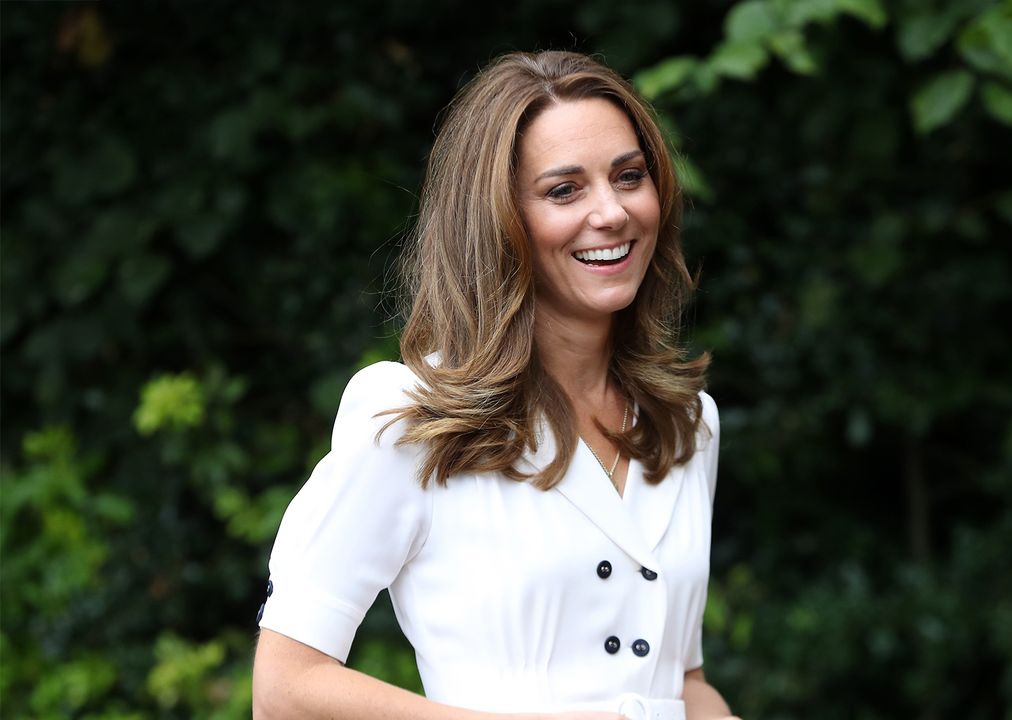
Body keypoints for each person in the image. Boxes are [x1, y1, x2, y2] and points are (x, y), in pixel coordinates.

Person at [252, 50, 737, 720]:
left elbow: (680, 681)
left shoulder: (688, 423)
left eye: (629, 177)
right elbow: (286, 690)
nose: (612, 212)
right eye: (564, 190)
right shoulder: (410, 419)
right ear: (499, 218)